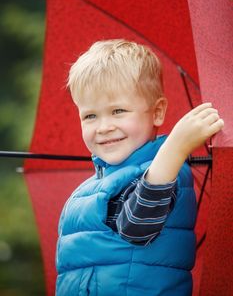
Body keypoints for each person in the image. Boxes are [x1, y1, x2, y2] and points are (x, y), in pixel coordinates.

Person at [56, 39, 224, 296]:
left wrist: (176, 147)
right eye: (90, 115)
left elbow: (137, 225)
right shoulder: (87, 190)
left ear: (157, 112)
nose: (103, 127)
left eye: (118, 111)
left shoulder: (166, 171)